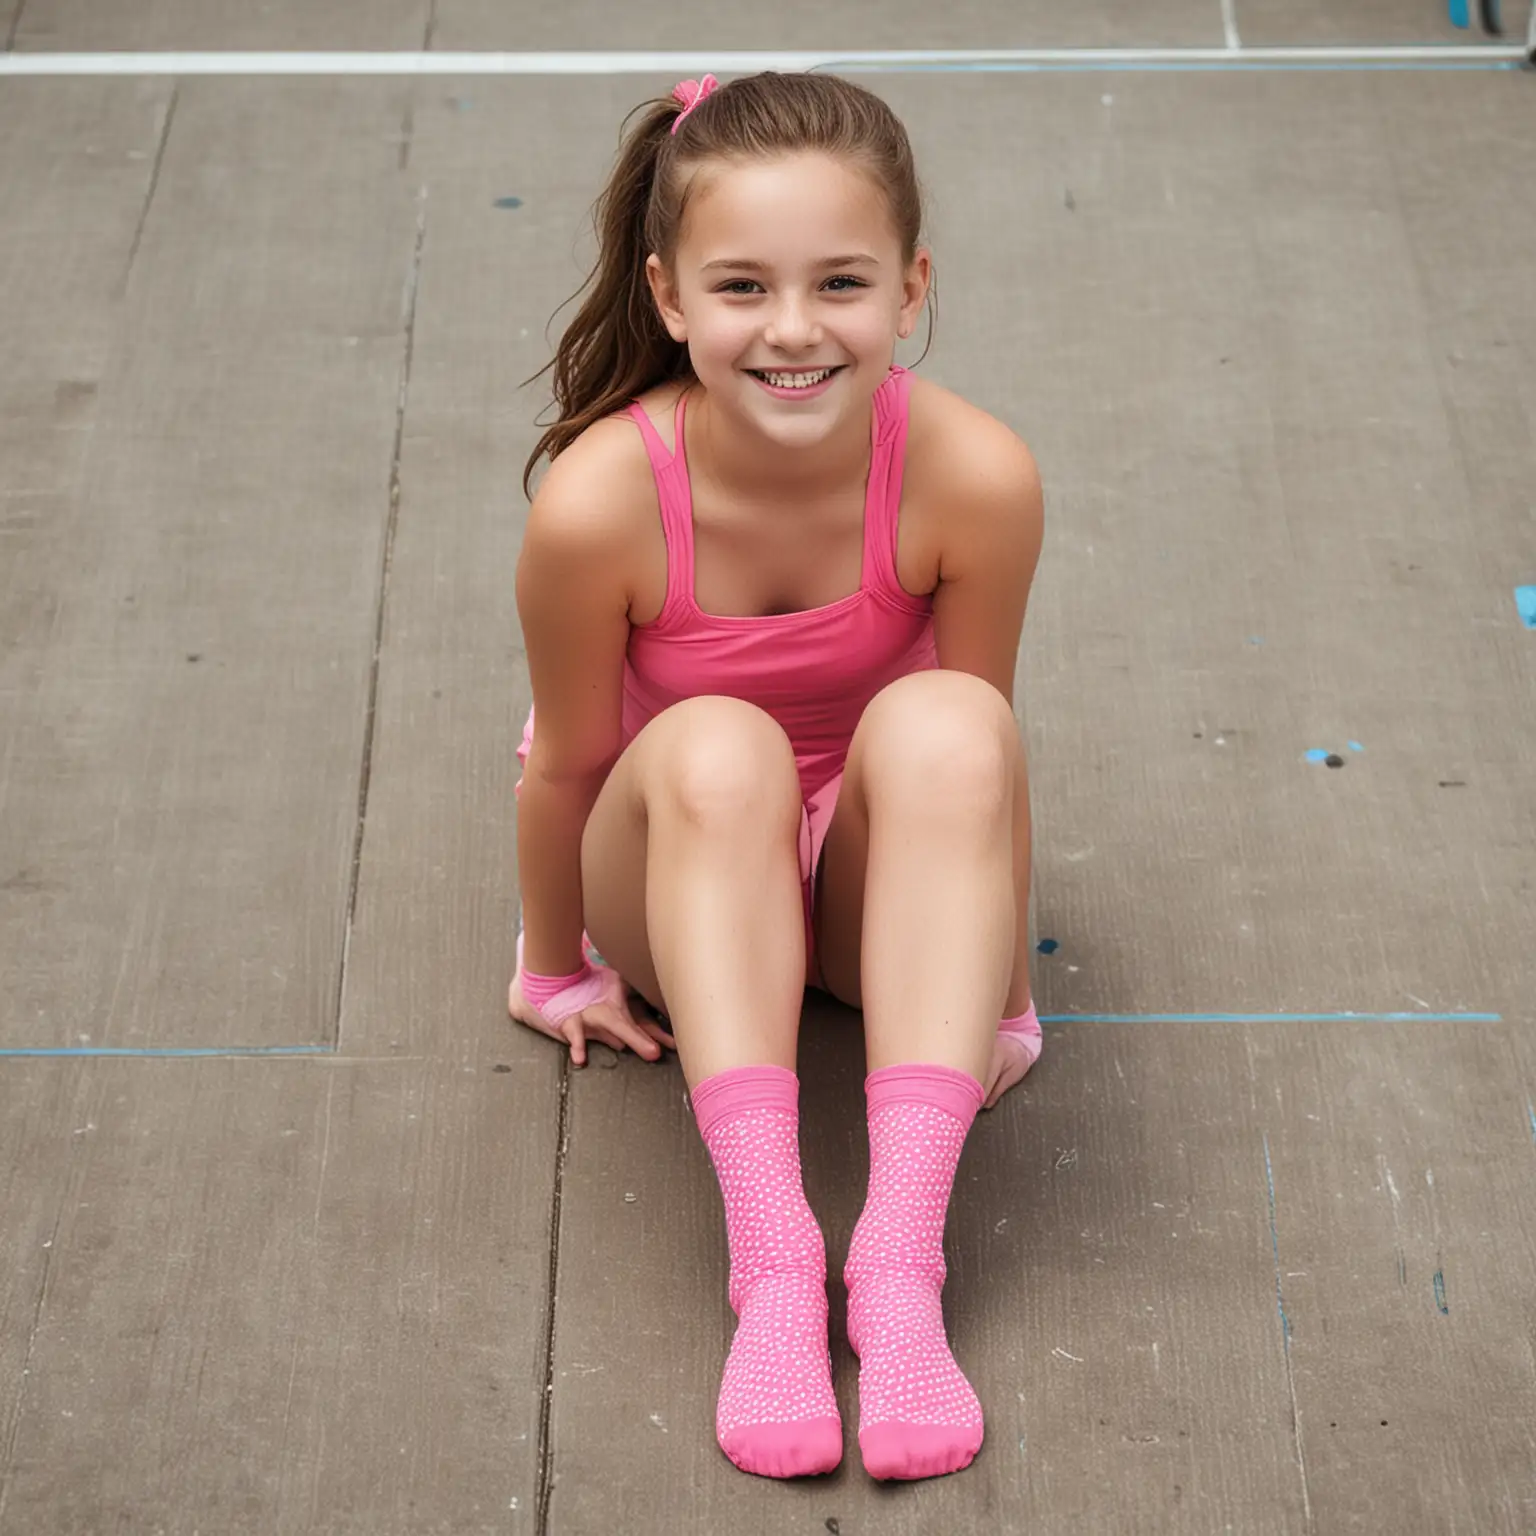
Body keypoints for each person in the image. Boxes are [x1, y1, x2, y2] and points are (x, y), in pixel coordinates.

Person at [508, 70, 1045, 1484]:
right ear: (672, 297)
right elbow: (567, 762)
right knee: (721, 741)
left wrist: (1007, 993)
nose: (795, 330)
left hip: (875, 891)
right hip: (683, 861)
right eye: (743, 286)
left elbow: (986, 750)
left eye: (843, 283)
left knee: (942, 716)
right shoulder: (599, 501)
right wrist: (552, 964)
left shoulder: (975, 472)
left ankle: (900, 1262)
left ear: (912, 288)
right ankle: (773, 1258)